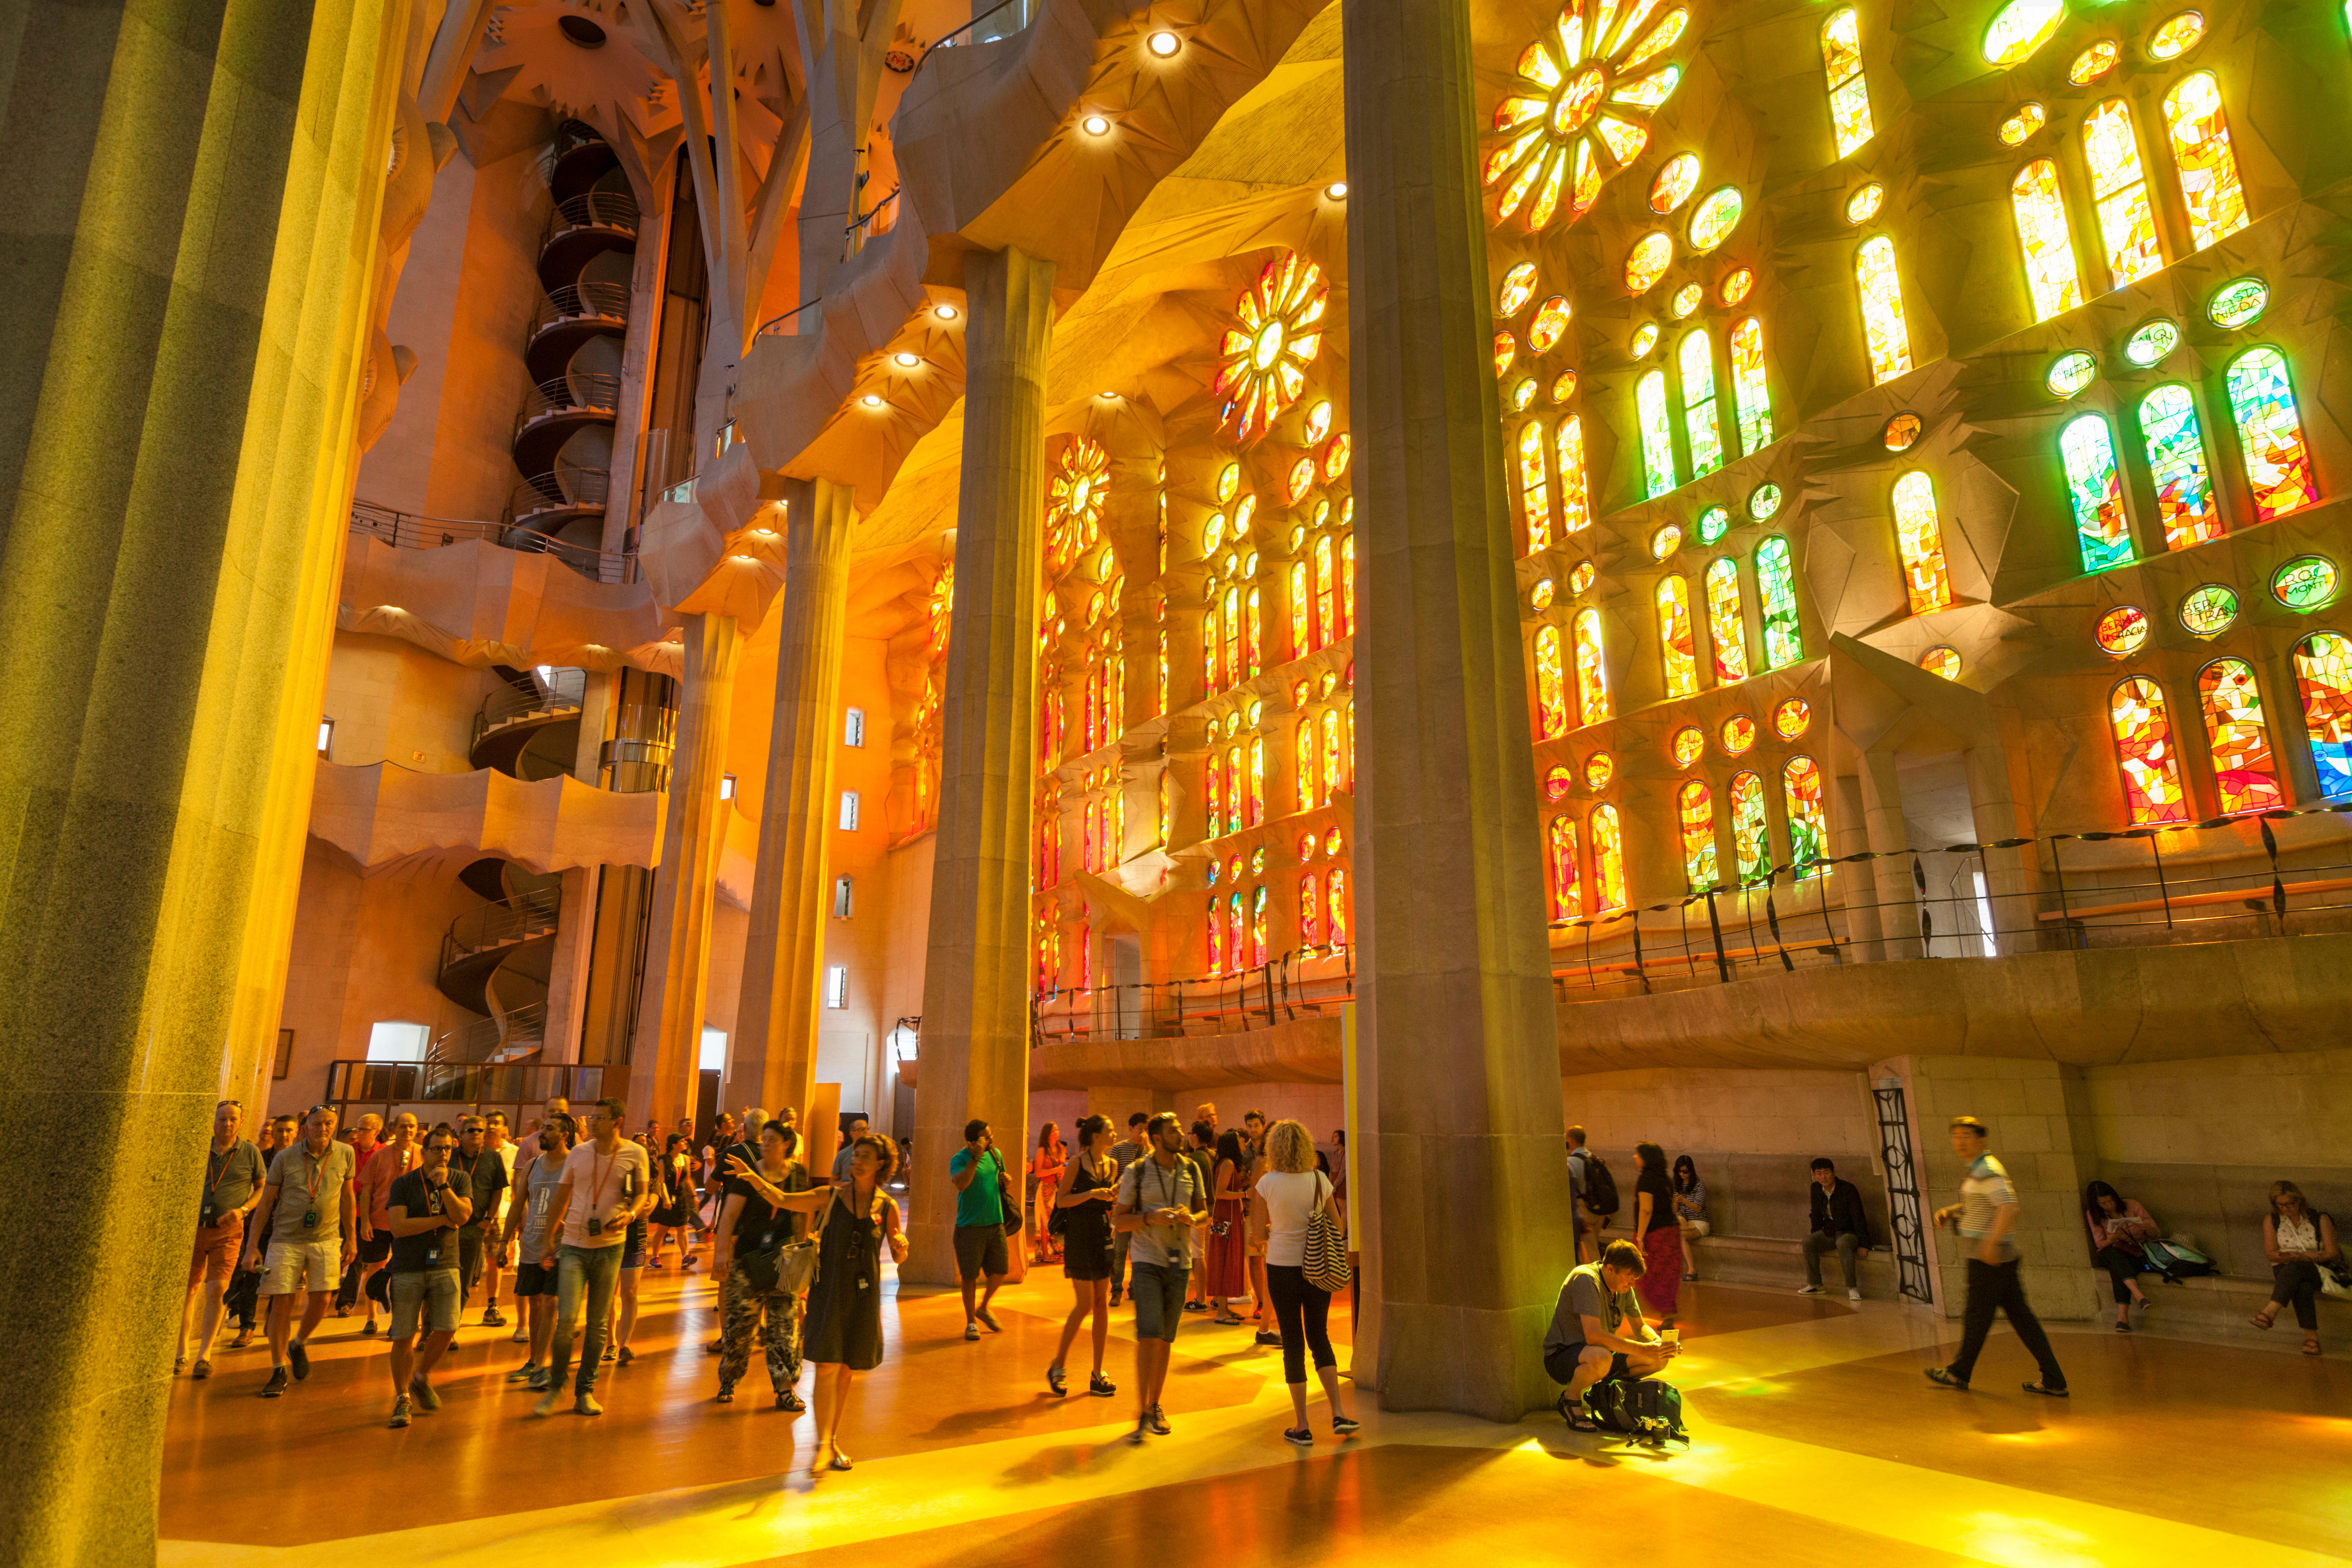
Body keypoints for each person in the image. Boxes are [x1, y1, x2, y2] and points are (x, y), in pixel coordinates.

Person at [738, 1133, 907, 1473]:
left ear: (881, 1166)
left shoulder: (886, 1207)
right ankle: (822, 1442)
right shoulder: (830, 1197)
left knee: (846, 1369)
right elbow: (783, 1198)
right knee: (828, 1366)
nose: (856, 1161)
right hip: (830, 1289)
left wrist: (903, 1246)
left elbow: (900, 1254)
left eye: (864, 1157)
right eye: (854, 1155)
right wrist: (752, 1177)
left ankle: (831, 1441)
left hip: (864, 1295)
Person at [1926, 1117, 2067, 1398]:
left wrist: (1990, 1246)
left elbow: (2008, 1207)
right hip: (1997, 1258)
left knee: (1978, 1317)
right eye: (1956, 1136)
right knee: (2020, 1319)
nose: (1960, 1141)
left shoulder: (1988, 1170)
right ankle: (2053, 1379)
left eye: (1966, 1136)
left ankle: (1959, 1373)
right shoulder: (1978, 1170)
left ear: (1981, 1140)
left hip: (1990, 1259)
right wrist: (1953, 1211)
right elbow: (1981, 1204)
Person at [532, 1097, 654, 1417]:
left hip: (612, 1246)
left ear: (618, 1122)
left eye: (600, 1118)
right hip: (573, 1244)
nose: (593, 1122)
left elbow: (641, 1192)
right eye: (592, 1117)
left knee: (599, 1324)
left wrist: (631, 1213)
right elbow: (561, 1197)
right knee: (567, 1320)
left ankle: (585, 1391)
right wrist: (548, 1240)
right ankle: (555, 1387)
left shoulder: (635, 1153)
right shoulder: (579, 1153)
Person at [1257, 1119, 1358, 1447]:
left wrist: (1278, 1232)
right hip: (1317, 1268)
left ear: (1274, 1149)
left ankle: (1302, 1425)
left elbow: (1258, 1234)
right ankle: (1339, 1412)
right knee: (1319, 1335)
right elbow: (1336, 1223)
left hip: (1281, 1267)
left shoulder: (1267, 1183)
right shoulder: (1319, 1180)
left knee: (1292, 1340)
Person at [244, 1104, 357, 1396]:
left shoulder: (345, 1153)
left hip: (327, 1238)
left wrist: (352, 1238)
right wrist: (252, 1246)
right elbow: (266, 1202)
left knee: (323, 1298)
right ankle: (277, 1368)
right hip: (286, 1239)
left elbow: (347, 1198)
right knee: (282, 1301)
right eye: (317, 1124)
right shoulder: (285, 1157)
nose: (323, 1129)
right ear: (306, 1127)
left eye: (329, 1124)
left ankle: (299, 1343)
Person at [1114, 1112, 1207, 1445]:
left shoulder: (1191, 1169)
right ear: (1156, 1138)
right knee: (1149, 1333)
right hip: (1147, 1261)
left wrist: (1190, 1218)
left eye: (1181, 1129)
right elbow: (1119, 1220)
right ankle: (1142, 1409)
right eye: (1174, 1131)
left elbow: (1204, 1212)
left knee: (1166, 1337)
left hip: (1179, 1264)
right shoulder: (1136, 1173)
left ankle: (1155, 1404)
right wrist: (1151, 1217)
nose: (1181, 1134)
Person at [711, 1119, 813, 1408]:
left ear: (787, 1144)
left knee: (784, 1328)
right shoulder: (748, 1174)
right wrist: (721, 1255)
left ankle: (784, 1389)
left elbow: (803, 1211)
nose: (765, 1145)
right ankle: (729, 1379)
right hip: (748, 1260)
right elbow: (729, 1217)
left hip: (785, 1263)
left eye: (772, 1140)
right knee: (740, 1326)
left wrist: (803, 1248)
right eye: (764, 1139)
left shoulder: (797, 1174)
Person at [382, 1124, 474, 1428]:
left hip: (446, 1264)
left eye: (448, 1149)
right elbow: (399, 1227)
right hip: (408, 1267)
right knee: (404, 1335)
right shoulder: (404, 1184)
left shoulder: (460, 1179)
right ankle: (402, 1398)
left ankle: (421, 1377)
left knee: (448, 1327)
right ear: (425, 1152)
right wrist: (440, 1220)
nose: (443, 1154)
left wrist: (445, 1188)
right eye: (437, 1149)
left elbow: (462, 1217)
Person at [1544, 1238, 1680, 1431]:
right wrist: (1644, 1349)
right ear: (1610, 1269)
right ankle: (1569, 1399)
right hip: (1563, 1356)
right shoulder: (1586, 1279)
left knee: (1658, 1359)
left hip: (1600, 1353)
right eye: (1629, 1277)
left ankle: (1606, 1392)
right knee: (1602, 1357)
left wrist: (1660, 1344)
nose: (1632, 1284)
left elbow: (1640, 1327)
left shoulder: (1623, 1288)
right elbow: (1594, 1336)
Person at [180, 1100, 266, 1378]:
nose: (227, 1124)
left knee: (217, 1290)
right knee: (189, 1290)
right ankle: (181, 1351)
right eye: (222, 1119)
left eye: (232, 1119)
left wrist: (243, 1211)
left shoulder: (251, 1153)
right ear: (214, 1122)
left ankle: (204, 1355)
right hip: (193, 1230)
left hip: (227, 1233)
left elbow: (261, 1189)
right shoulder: (199, 1149)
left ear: (241, 1122)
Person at [1046, 1115, 1119, 1399]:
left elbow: (1107, 1201)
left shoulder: (1112, 1165)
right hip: (1079, 1235)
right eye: (1109, 1131)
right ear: (1096, 1136)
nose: (1114, 1134)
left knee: (1102, 1303)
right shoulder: (1077, 1162)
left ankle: (1098, 1371)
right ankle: (1058, 1364)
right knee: (1085, 1304)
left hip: (1101, 1235)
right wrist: (1092, 1194)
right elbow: (1062, 1200)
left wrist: (1111, 1196)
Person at [502, 1118, 571, 1390]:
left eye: (550, 1129)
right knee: (536, 1303)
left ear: (565, 1135)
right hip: (531, 1244)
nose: (542, 1133)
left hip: (561, 1246)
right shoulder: (533, 1165)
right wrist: (504, 1241)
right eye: (542, 1128)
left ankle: (543, 1365)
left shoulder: (574, 1164)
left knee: (552, 1303)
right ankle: (534, 1362)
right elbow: (519, 1203)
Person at [2252, 1179, 2340, 1357]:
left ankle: (2270, 1312)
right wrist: (2301, 1256)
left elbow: (2332, 1252)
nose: (2286, 1209)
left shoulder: (2319, 1219)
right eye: (2281, 1205)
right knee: (2301, 1285)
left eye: (2290, 1204)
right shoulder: (2273, 1220)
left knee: (2296, 1268)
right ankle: (2311, 1339)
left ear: (2300, 1200)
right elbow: (2271, 1254)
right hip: (2287, 1270)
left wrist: (2298, 1257)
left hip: (2318, 1269)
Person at [354, 1111, 421, 1336]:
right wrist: (365, 1222)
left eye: (412, 1126)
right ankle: (371, 1318)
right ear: (395, 1129)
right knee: (376, 1268)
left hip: (410, 1224)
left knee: (405, 1273)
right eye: (403, 1126)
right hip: (380, 1221)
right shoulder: (380, 1156)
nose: (408, 1130)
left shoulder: (423, 1154)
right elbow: (366, 1191)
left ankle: (399, 1320)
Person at [948, 1119, 1010, 1340]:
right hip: (969, 1226)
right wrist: (975, 1158)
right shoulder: (960, 1159)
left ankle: (983, 1307)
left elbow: (999, 1179)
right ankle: (971, 1322)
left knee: (1001, 1270)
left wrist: (1006, 1181)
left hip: (995, 1222)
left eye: (991, 1136)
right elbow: (961, 1184)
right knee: (970, 1277)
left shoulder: (996, 1155)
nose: (990, 1140)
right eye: (985, 1137)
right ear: (972, 1141)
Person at [449, 1117, 508, 1323]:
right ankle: (437, 1325)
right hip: (450, 1224)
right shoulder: (450, 1156)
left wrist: (488, 1219)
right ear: (460, 1134)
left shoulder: (493, 1158)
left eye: (480, 1131)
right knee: (446, 1276)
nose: (476, 1134)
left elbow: (498, 1190)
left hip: (477, 1225)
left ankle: (453, 1324)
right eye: (471, 1130)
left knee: (466, 1279)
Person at [2082, 1180, 2160, 1331]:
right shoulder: (2094, 1215)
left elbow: (2157, 1233)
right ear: (2096, 1204)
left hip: (2138, 1254)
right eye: (2104, 1203)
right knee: (2112, 1254)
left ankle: (2123, 1318)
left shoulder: (2132, 1205)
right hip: (2116, 1252)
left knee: (2116, 1268)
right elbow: (2100, 1244)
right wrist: (2111, 1239)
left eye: (2111, 1200)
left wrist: (2144, 1228)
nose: (2109, 1205)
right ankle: (2138, 1296)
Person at [1801, 1158, 1874, 1301]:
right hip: (1830, 1232)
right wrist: (1816, 1235)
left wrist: (1864, 1244)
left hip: (1850, 1233)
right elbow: (1815, 1215)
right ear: (1814, 1176)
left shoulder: (1848, 1189)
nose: (1824, 1177)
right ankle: (1815, 1284)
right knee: (1809, 1241)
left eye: (1826, 1173)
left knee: (1843, 1243)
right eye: (1819, 1174)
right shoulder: (1816, 1189)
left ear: (1834, 1173)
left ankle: (1852, 1288)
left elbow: (1858, 1216)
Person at [1630, 1142, 1682, 1324]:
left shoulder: (1647, 1179)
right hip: (1671, 1231)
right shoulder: (1664, 1178)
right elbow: (1673, 1206)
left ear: (1646, 1158)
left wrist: (1640, 1237)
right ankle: (1668, 1313)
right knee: (1667, 1275)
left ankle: (1663, 1313)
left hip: (1654, 1234)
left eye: (1638, 1155)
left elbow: (1646, 1210)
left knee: (1646, 1273)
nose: (1635, 1157)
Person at [1205, 1130, 1250, 1325]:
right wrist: (1245, 1196)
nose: (1244, 1142)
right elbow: (1220, 1193)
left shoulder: (1228, 1163)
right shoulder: (1228, 1164)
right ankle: (1221, 1312)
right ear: (1233, 1143)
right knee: (1224, 1259)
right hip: (1226, 1218)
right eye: (1241, 1139)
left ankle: (1225, 1308)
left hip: (1230, 1216)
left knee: (1228, 1259)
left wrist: (1247, 1181)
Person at [477, 1111, 518, 1324]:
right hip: (474, 1213)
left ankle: (491, 1307)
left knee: (496, 1261)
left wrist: (516, 1223)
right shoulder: (475, 1150)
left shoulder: (514, 1153)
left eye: (497, 1124)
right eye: (488, 1122)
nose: (492, 1127)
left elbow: (516, 1189)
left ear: (505, 1128)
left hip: (502, 1213)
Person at [1107, 1112, 1148, 1305]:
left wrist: (1148, 1147)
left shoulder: (1150, 1151)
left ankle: (1135, 1287)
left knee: (1139, 1251)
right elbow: (1112, 1178)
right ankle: (1116, 1289)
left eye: (1145, 1129)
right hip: (1123, 1207)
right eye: (1140, 1128)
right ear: (1131, 1129)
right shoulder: (1118, 1149)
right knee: (1120, 1250)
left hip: (1141, 1208)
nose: (1143, 1132)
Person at [649, 1133, 700, 1269]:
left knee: (683, 1227)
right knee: (662, 1229)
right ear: (674, 1145)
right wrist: (666, 1199)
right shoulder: (663, 1160)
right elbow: (661, 1181)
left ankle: (686, 1257)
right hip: (668, 1196)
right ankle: (654, 1257)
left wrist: (694, 1196)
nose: (685, 1143)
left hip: (682, 1197)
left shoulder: (686, 1159)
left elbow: (688, 1179)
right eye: (682, 1141)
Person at [1029, 1122, 1067, 1264]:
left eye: (1057, 1130)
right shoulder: (1042, 1151)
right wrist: (1056, 1170)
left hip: (1060, 1188)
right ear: (1048, 1134)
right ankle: (1045, 1253)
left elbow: (1064, 1165)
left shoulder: (1061, 1148)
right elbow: (1038, 1173)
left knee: (1060, 1219)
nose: (1057, 1133)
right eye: (1053, 1131)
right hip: (1046, 1189)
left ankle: (1059, 1251)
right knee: (1047, 1222)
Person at [1672, 1155, 1709, 1283]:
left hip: (1699, 1223)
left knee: (1679, 1236)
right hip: (1684, 1221)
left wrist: (1684, 1200)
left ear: (1691, 1171)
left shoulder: (1699, 1185)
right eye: (1680, 1171)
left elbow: (1698, 1208)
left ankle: (1692, 1270)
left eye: (1685, 1171)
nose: (1682, 1174)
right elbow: (1675, 1211)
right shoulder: (1677, 1186)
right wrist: (1676, 1201)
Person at [1565, 1125, 1596, 1264]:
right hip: (1597, 1207)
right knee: (1591, 1248)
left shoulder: (1571, 1162)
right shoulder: (1592, 1157)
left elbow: (1571, 1190)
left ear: (1570, 1140)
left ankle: (1596, 1282)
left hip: (1583, 1208)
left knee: (1589, 1253)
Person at [831, 1116, 871, 1183]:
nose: (866, 1132)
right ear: (852, 1133)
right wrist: (846, 1187)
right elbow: (833, 1181)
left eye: (867, 1129)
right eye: (861, 1130)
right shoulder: (842, 1155)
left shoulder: (874, 1153)